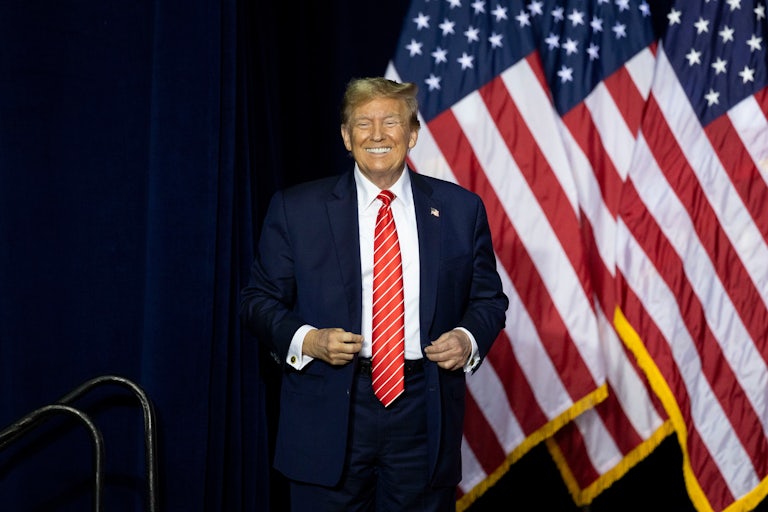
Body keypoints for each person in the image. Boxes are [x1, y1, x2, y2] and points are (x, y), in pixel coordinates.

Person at [241, 77, 508, 511]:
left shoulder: (461, 209)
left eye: (392, 122)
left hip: (423, 411)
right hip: (329, 410)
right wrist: (308, 339)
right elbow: (257, 301)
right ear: (346, 137)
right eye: (363, 123)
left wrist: (468, 339)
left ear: (414, 134)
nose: (378, 135)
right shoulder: (297, 209)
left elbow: (489, 301)